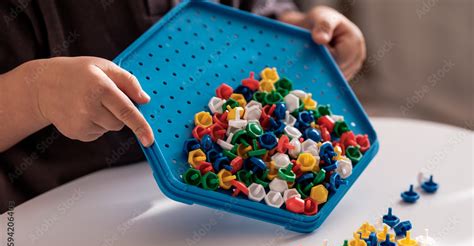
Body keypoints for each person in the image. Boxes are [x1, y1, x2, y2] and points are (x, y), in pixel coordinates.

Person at [0, 0, 366, 211]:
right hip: (49, 220)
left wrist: (298, 33)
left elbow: (252, 14)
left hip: (198, 204)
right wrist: (36, 94)